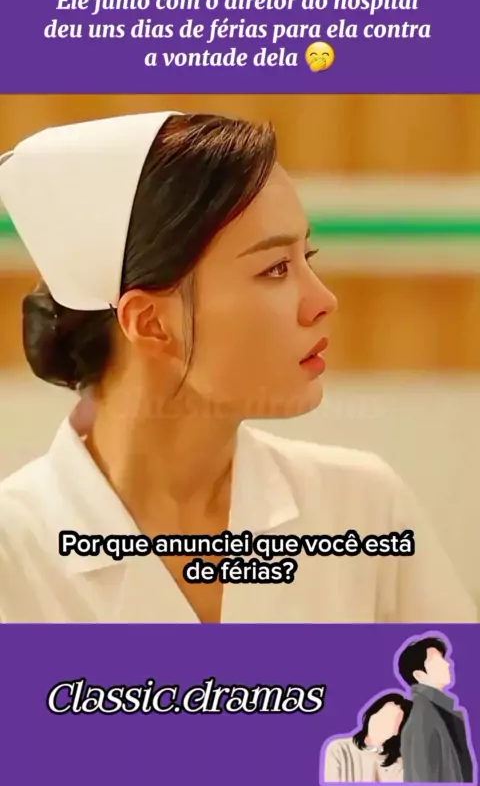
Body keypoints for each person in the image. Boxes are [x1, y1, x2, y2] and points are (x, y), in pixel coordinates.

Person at [0, 110, 476, 624]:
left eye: (308, 256)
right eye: (276, 268)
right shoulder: (15, 554)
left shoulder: (362, 512)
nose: (323, 301)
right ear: (151, 323)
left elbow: (445, 678)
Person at [397, 636, 475, 782]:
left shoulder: (440, 711)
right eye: (437, 661)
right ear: (419, 675)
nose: (448, 663)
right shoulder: (422, 717)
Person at [323, 692, 412, 782]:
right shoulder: (339, 749)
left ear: (398, 731)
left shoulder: (401, 763)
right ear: (371, 715)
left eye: (390, 720)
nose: (380, 721)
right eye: (380, 714)